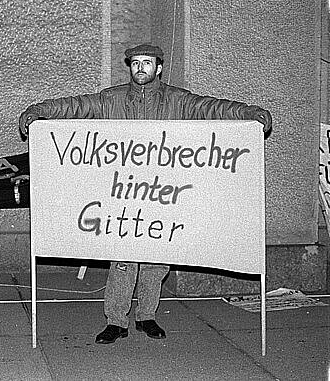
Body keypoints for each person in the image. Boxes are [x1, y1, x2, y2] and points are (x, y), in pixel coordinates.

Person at [18, 43, 272, 345]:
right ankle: (116, 320)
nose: (141, 68)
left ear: (159, 67)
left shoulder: (179, 101)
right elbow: (74, 106)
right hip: (123, 193)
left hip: (164, 193)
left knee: (157, 257)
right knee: (123, 258)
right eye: (135, 63)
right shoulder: (110, 100)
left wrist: (250, 114)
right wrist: (38, 112)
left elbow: (212, 108)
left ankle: (147, 315)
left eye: (147, 63)